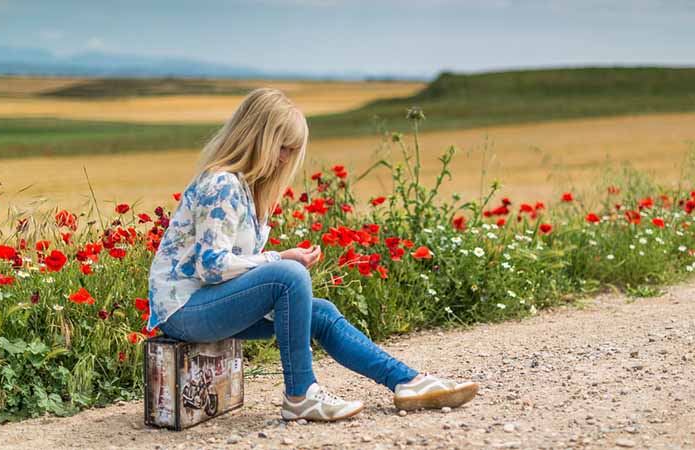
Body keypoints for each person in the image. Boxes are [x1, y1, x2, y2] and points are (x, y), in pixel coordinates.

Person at [146, 88, 478, 422]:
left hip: (211, 303)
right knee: (289, 275)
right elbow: (211, 267)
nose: (285, 159)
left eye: (292, 150)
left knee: (319, 312)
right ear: (258, 138)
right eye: (283, 147)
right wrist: (280, 259)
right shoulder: (222, 184)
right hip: (185, 310)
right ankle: (300, 394)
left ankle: (408, 382)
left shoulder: (246, 189)